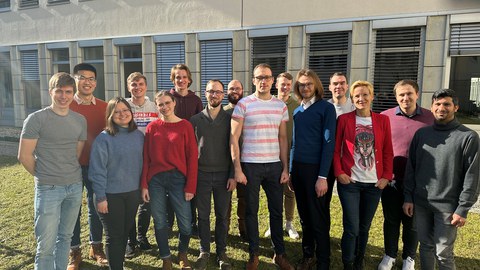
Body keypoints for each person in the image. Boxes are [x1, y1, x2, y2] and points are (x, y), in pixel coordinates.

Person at [403, 89, 480, 270]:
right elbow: (411, 168)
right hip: (421, 204)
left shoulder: (468, 137)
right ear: (431, 107)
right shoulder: (422, 134)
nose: (441, 108)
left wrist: (463, 208)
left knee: (443, 253)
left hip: (448, 207)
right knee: (425, 247)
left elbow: (472, 175)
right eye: (437, 104)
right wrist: (408, 197)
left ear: (456, 107)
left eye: (446, 104)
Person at [18, 72, 87, 270]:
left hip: (74, 186)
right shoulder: (36, 119)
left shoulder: (80, 120)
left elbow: (77, 153)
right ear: (50, 92)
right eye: (59, 91)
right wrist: (44, 176)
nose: (63, 96)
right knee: (45, 245)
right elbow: (24, 156)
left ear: (73, 93)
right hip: (48, 188)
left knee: (65, 237)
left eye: (68, 92)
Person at [230, 63, 294, 270]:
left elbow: (283, 139)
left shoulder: (280, 106)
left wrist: (285, 168)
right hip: (250, 166)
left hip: (275, 166)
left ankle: (279, 253)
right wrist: (237, 168)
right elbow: (233, 138)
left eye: (267, 77)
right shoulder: (244, 104)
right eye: (260, 77)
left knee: (276, 212)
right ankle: (254, 253)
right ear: (253, 80)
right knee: (252, 211)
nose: (264, 81)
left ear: (272, 80)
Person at [333, 80, 393, 270]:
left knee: (364, 228)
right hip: (350, 182)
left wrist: (386, 177)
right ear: (352, 99)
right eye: (357, 96)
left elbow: (387, 151)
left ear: (372, 96)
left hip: (374, 185)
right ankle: (348, 263)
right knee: (351, 228)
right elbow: (335, 150)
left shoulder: (383, 120)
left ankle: (359, 261)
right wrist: (339, 172)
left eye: (365, 94)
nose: (361, 98)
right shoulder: (344, 120)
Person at [378, 80, 434, 270]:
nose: (405, 98)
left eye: (409, 93)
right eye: (401, 94)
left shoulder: (430, 118)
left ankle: (409, 257)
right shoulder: (384, 117)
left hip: (420, 182)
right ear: (396, 97)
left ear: (417, 94)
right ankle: (389, 254)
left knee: (412, 222)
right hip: (392, 179)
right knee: (391, 219)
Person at [141, 90, 198, 270]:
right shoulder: (152, 127)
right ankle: (166, 257)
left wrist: (191, 186)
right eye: (160, 104)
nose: (164, 107)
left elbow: (192, 158)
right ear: (156, 106)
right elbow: (146, 158)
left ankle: (182, 253)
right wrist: (144, 185)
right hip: (156, 179)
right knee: (159, 221)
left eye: (167, 103)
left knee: (186, 223)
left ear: (174, 103)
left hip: (178, 179)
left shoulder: (185, 126)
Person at [89, 97, 144, 270]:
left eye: (125, 110)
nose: (122, 114)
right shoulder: (104, 139)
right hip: (110, 196)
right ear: (110, 116)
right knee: (114, 237)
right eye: (117, 111)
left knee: (124, 232)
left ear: (131, 112)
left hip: (132, 194)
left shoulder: (138, 136)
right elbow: (97, 171)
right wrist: (101, 197)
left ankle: (117, 263)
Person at [289, 69, 336, 270]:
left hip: (316, 171)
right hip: (298, 171)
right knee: (304, 217)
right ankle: (308, 256)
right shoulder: (297, 111)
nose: (305, 87)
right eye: (301, 84)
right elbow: (294, 143)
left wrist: (322, 176)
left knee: (318, 218)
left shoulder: (326, 108)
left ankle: (323, 261)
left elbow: (329, 143)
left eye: (309, 84)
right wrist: (291, 171)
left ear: (316, 85)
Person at [190, 80, 236, 270]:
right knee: (203, 215)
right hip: (201, 175)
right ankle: (204, 250)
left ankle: (221, 252)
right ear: (205, 93)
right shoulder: (195, 120)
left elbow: (235, 148)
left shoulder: (231, 119)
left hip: (224, 175)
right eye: (210, 92)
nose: (214, 95)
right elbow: (191, 153)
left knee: (222, 216)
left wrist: (233, 174)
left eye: (218, 92)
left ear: (223, 94)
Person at [68, 63, 108, 270]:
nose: (87, 82)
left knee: (96, 208)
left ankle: (96, 247)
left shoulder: (104, 106)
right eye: (83, 77)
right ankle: (74, 251)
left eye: (91, 78)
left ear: (96, 82)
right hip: (71, 167)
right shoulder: (65, 105)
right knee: (72, 209)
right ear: (75, 80)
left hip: (96, 167)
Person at [125, 72, 159, 257]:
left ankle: (142, 237)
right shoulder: (124, 106)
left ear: (145, 86)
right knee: (131, 202)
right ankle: (130, 241)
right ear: (128, 87)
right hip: (129, 162)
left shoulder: (154, 107)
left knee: (147, 202)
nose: (137, 87)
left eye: (140, 84)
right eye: (133, 84)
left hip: (151, 161)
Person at [265, 72, 300, 240]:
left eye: (288, 84)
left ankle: (289, 222)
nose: (285, 87)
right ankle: (274, 223)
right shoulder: (269, 103)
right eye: (282, 84)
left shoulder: (297, 105)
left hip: (291, 154)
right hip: (271, 153)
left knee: (289, 191)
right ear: (276, 85)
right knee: (273, 191)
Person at [169, 63, 202, 235]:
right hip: (170, 150)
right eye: (177, 77)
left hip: (189, 149)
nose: (181, 80)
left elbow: (200, 125)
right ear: (173, 79)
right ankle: (169, 222)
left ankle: (192, 222)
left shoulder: (195, 100)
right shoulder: (168, 97)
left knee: (191, 186)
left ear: (189, 79)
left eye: (184, 77)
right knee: (170, 186)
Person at [224, 79, 248, 241]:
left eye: (237, 88)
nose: (234, 91)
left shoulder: (248, 110)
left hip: (247, 159)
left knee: (244, 198)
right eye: (231, 88)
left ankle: (243, 228)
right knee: (226, 198)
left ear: (243, 90)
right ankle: (224, 228)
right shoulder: (222, 112)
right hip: (225, 161)